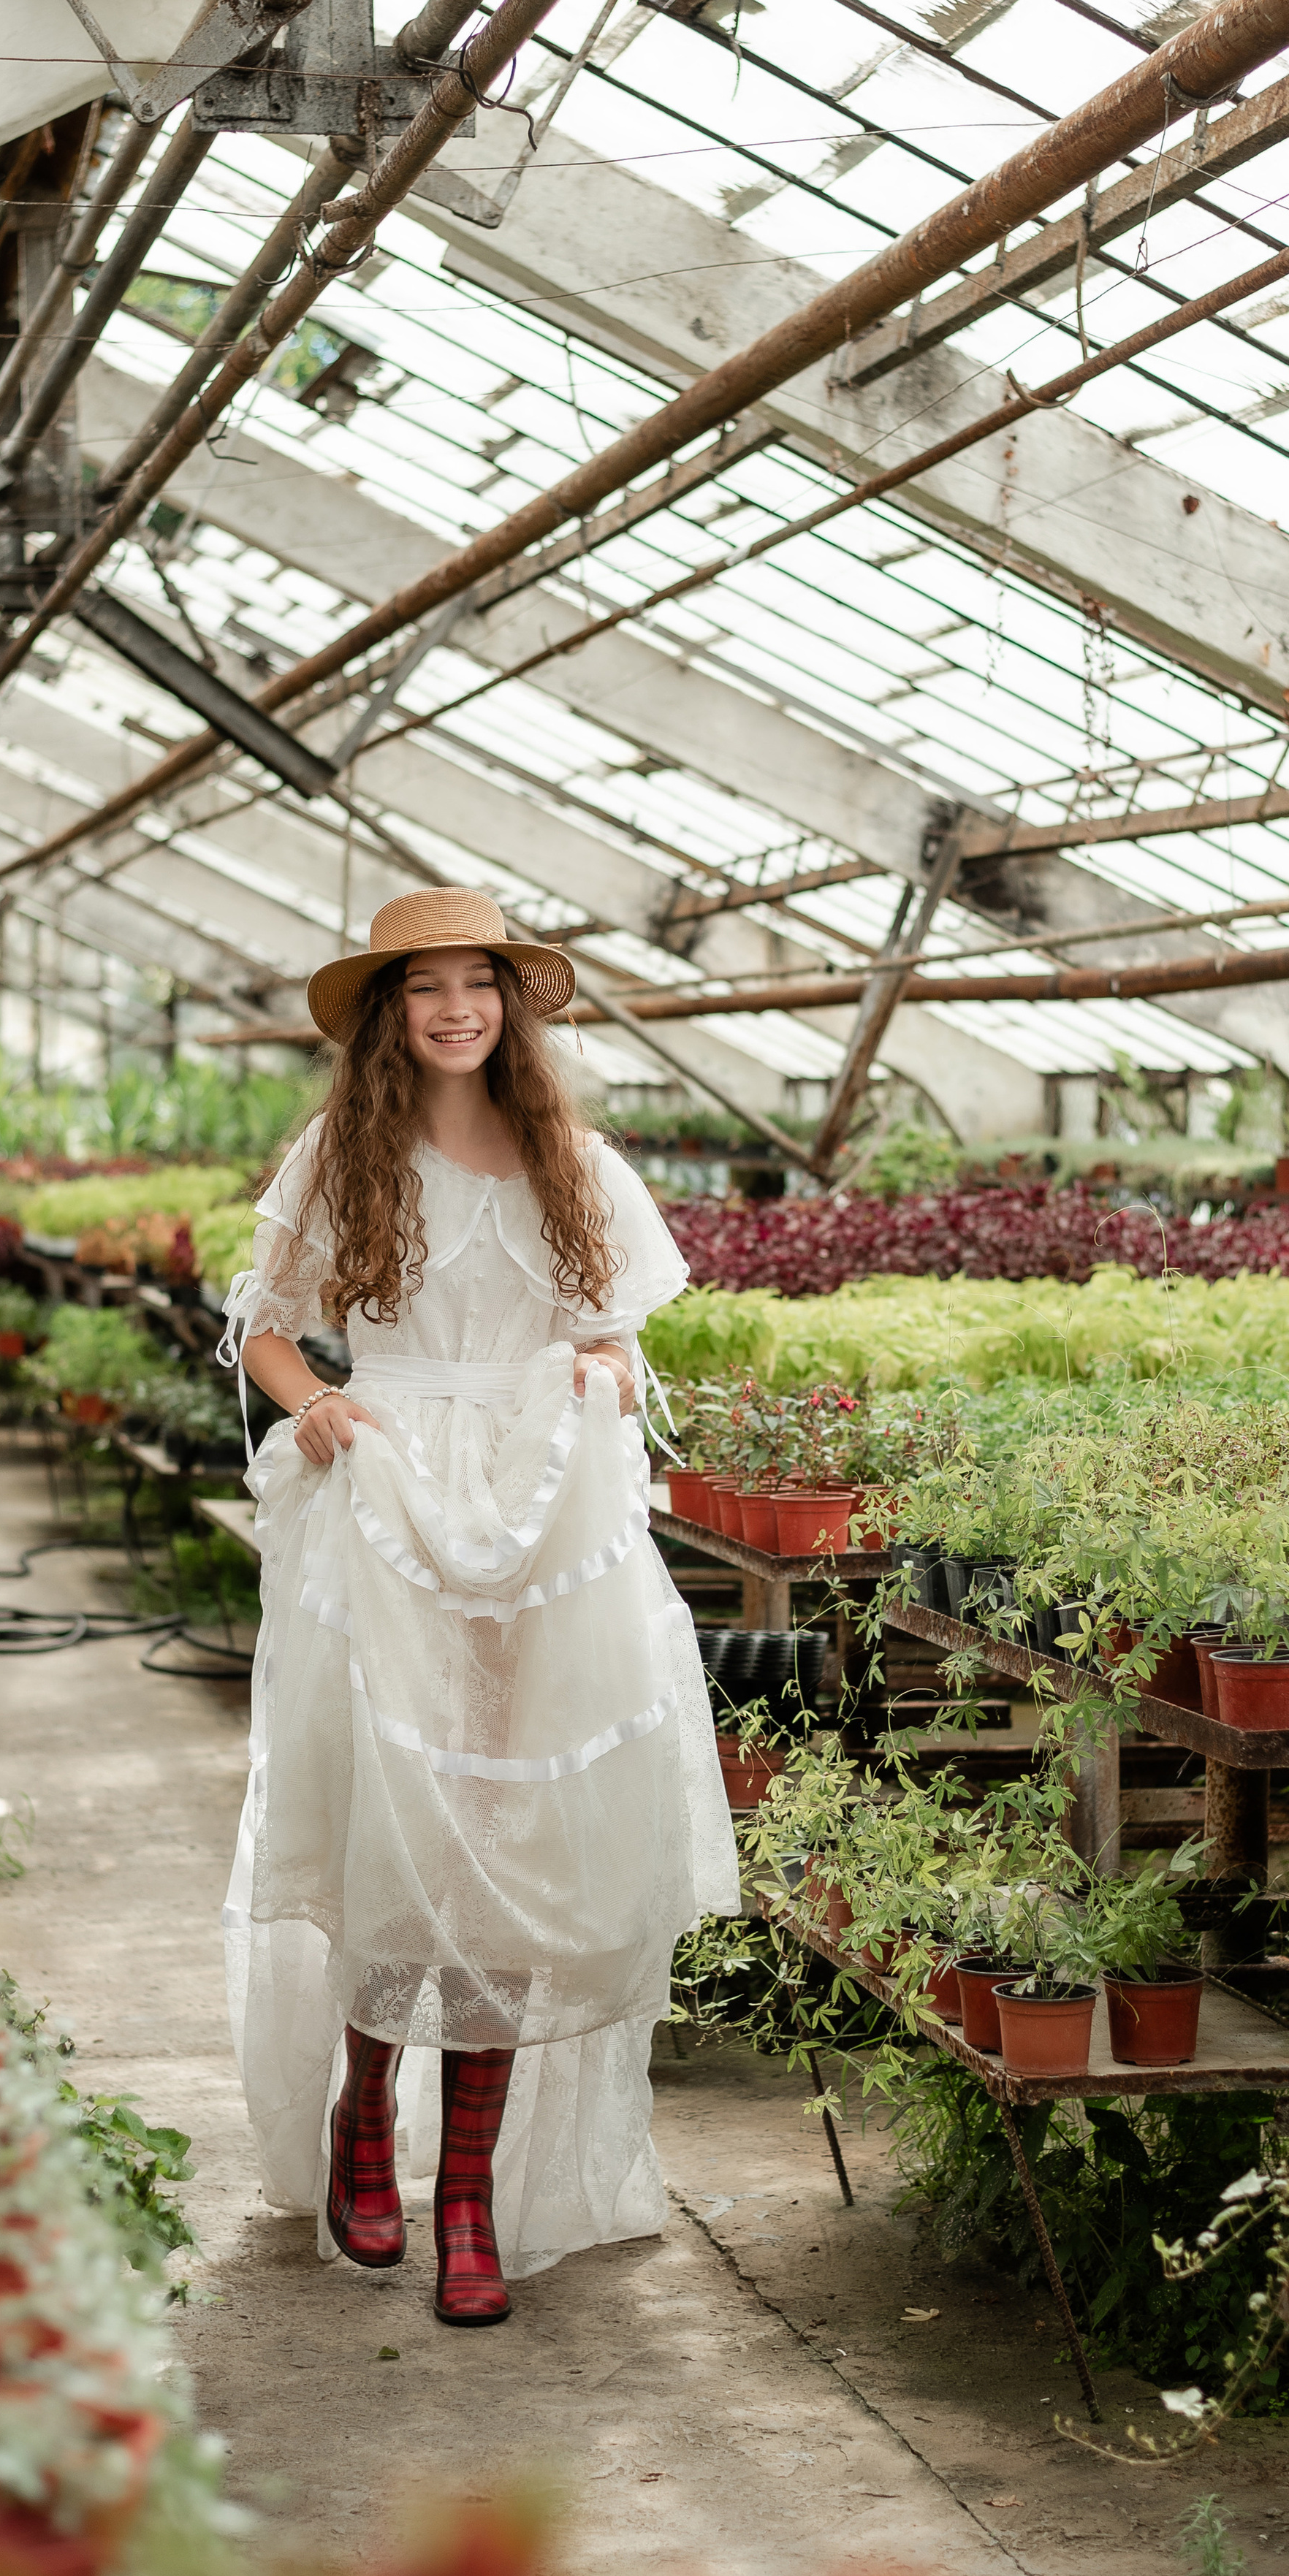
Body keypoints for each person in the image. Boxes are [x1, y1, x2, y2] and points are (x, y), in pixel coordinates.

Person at [219, 885, 736, 2327]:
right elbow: (264, 1331)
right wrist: (317, 1405)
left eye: (478, 984)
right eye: (424, 987)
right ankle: (359, 2129)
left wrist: (597, 1381)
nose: (455, 1008)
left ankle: (467, 2195)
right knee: (402, 1818)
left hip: (541, 1517)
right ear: (387, 1014)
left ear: (513, 1005)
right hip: (388, 1500)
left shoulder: (570, 1158)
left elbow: (620, 1350)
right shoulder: (343, 1151)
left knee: (509, 1837)